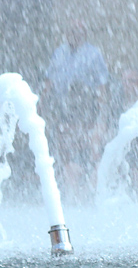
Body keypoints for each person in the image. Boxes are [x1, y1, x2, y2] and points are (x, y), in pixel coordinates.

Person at [42, 21, 110, 201]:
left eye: (78, 32)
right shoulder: (59, 52)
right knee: (65, 141)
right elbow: (49, 79)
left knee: (88, 143)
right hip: (64, 103)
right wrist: (41, 102)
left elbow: (102, 83)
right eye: (71, 31)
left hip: (86, 102)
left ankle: (90, 185)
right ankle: (70, 185)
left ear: (84, 34)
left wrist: (102, 111)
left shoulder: (93, 53)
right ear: (66, 33)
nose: (74, 35)